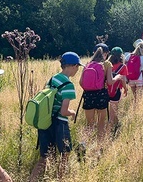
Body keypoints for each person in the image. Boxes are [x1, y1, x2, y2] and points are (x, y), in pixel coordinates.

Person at [29, 52, 83, 181]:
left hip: (45, 121)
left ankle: (31, 179)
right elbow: (64, 111)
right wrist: (73, 113)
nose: (77, 70)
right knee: (65, 155)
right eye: (78, 67)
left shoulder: (52, 79)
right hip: (60, 123)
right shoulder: (68, 85)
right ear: (74, 66)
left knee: (44, 157)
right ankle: (60, 179)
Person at [79, 43, 122, 141]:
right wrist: (118, 77)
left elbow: (81, 82)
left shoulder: (87, 64)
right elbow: (110, 82)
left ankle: (84, 143)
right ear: (106, 53)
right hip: (101, 94)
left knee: (89, 123)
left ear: (94, 52)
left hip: (88, 95)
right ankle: (99, 146)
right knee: (101, 122)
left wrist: (90, 88)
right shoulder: (107, 64)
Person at [107, 47, 128, 131]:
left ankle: (117, 126)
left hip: (104, 91)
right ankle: (109, 134)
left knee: (108, 114)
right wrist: (126, 89)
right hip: (115, 92)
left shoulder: (107, 65)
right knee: (112, 114)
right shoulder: (123, 66)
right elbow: (123, 80)